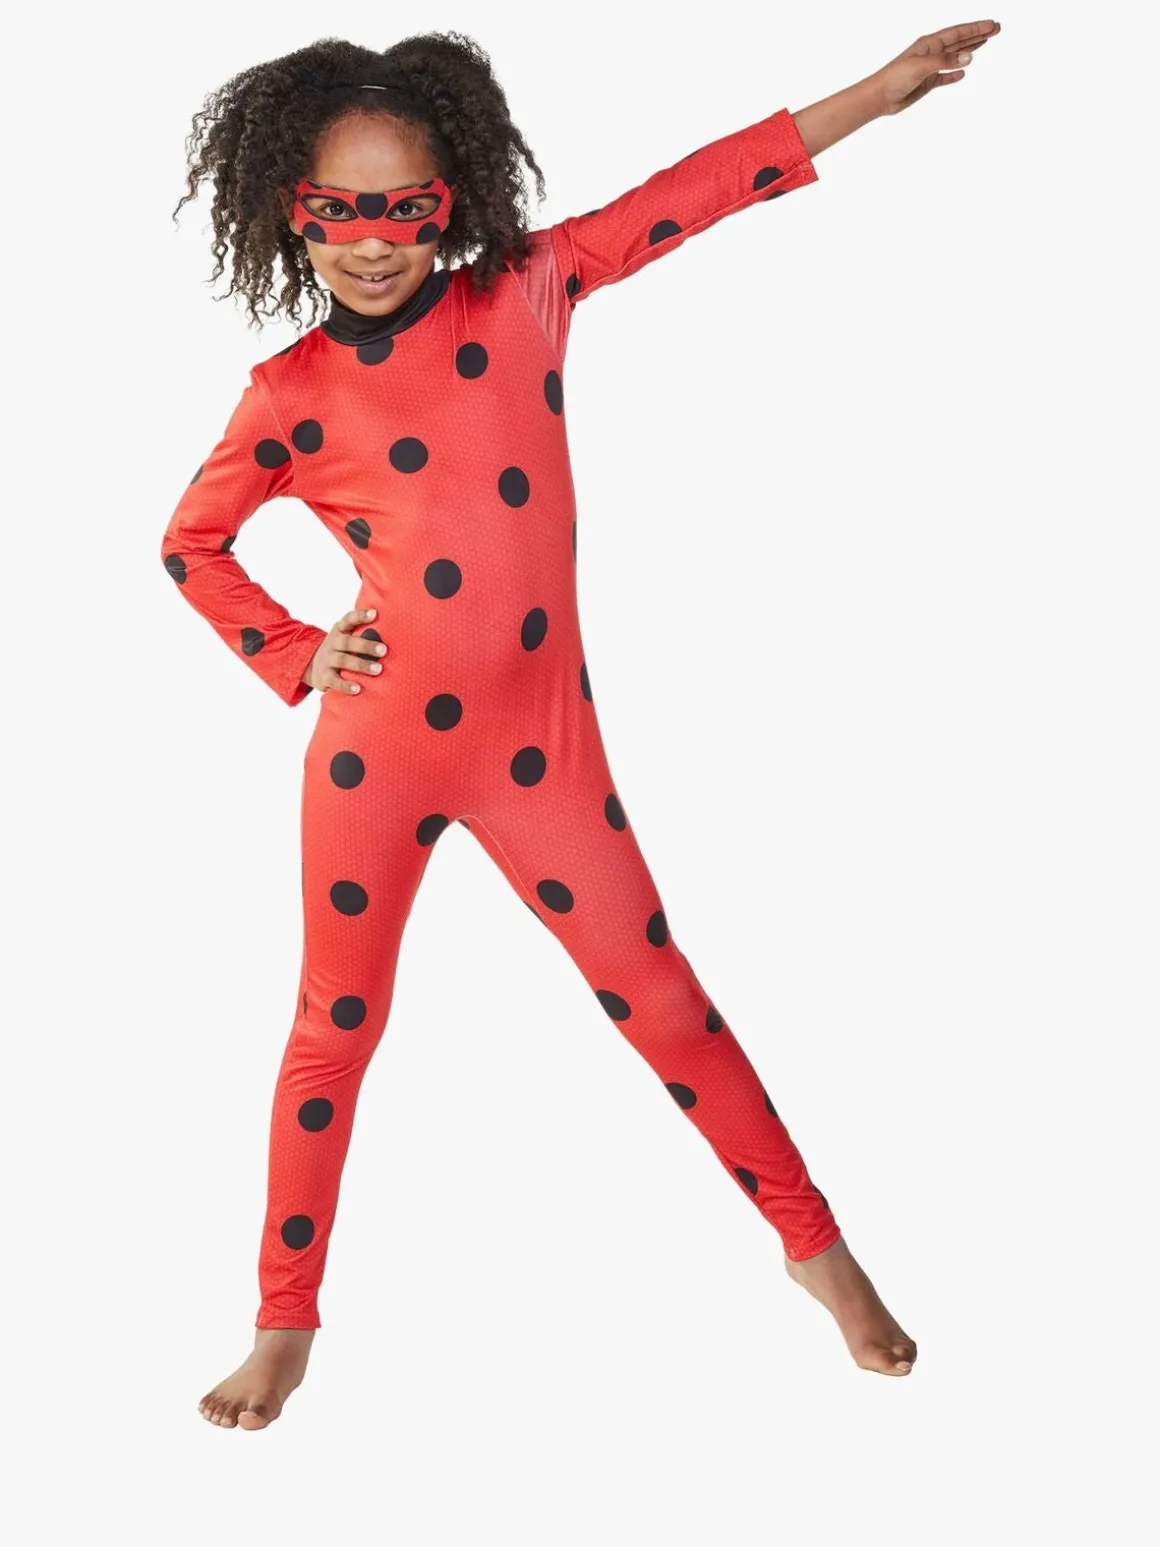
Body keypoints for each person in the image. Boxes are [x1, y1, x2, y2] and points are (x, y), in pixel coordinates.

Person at [165, 21, 1000, 1430]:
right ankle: (282, 1323)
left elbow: (693, 193)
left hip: (539, 750)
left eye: (405, 208)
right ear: (288, 213)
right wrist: (300, 654)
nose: (372, 241)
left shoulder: (528, 291)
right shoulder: (289, 395)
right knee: (334, 1031)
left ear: (455, 200)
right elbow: (190, 546)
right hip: (375, 754)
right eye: (337, 211)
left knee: (663, 999)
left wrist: (878, 93)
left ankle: (818, 1251)